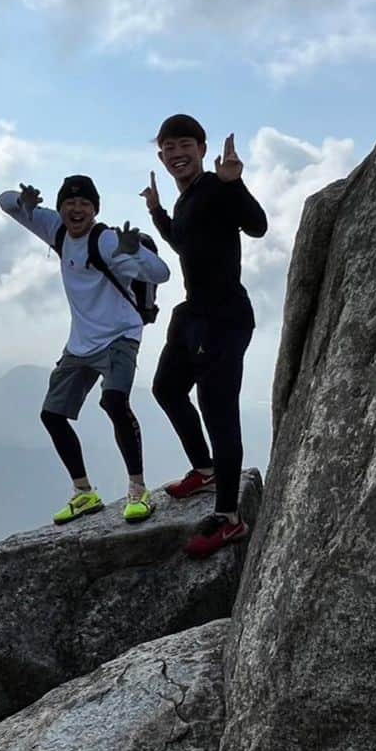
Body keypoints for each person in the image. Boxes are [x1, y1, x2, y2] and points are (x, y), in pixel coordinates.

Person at [0, 175, 170, 527]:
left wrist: (134, 250)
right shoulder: (54, 227)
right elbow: (3, 200)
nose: (76, 210)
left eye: (85, 205)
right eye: (70, 204)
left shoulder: (107, 241)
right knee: (52, 414)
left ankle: (138, 490)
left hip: (121, 335)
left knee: (114, 401)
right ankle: (84, 493)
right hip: (81, 342)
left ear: (95, 210)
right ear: (60, 207)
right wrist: (24, 202)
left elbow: (162, 273)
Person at [142, 116, 267, 557]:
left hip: (225, 317)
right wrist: (157, 212)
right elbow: (183, 244)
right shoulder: (187, 199)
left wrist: (235, 183)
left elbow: (257, 226)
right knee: (167, 389)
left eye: (185, 145)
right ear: (161, 155)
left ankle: (228, 517)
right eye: (168, 147)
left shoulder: (215, 187)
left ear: (201, 147)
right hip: (194, 313)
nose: (177, 153)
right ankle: (205, 468)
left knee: (217, 408)